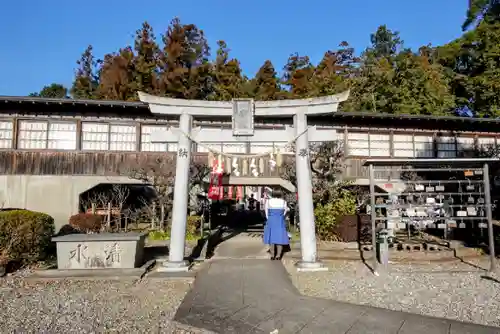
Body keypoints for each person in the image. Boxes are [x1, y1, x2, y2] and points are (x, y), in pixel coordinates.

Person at [263, 189, 290, 260]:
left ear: (273, 194)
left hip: (271, 220)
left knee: (272, 238)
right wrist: (281, 216)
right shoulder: (283, 202)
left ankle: (272, 255)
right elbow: (285, 211)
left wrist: (269, 218)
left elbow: (266, 211)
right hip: (280, 220)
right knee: (279, 238)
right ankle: (278, 256)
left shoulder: (268, 201)